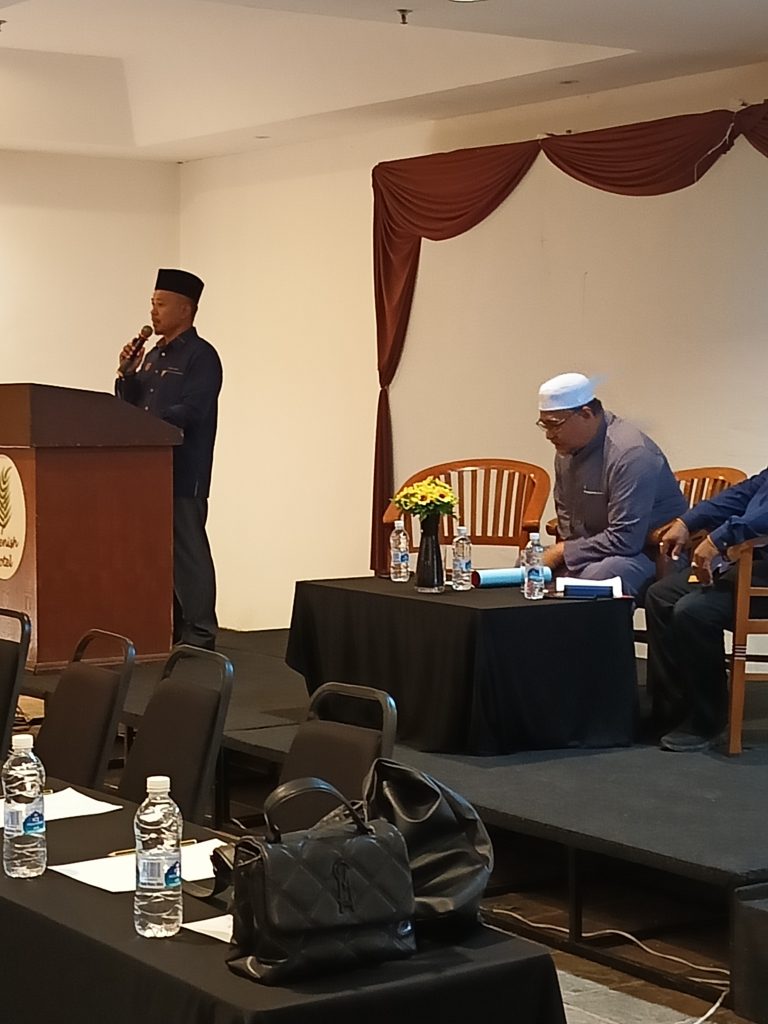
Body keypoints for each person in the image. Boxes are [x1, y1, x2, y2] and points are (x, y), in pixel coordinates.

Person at [116, 268, 222, 651]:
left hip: (183, 470)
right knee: (154, 551)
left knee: (188, 551)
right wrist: (126, 375)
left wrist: (151, 425)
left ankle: (200, 633)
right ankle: (167, 628)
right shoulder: (152, 355)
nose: (153, 312)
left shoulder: (201, 356)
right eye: (152, 303)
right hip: (149, 471)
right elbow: (130, 405)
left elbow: (193, 409)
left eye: (161, 304)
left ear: (185, 309)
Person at [645, 471, 768, 752]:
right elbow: (740, 495)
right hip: (753, 565)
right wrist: (687, 522)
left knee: (695, 611)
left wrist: (719, 539)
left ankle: (708, 720)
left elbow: (762, 518)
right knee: (661, 595)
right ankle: (673, 710)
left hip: (761, 574)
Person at [537, 372, 686, 597]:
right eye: (544, 426)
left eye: (554, 425)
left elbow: (626, 539)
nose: (549, 435)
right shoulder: (567, 450)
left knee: (600, 577)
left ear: (586, 414)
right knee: (528, 571)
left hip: (649, 552)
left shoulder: (631, 454)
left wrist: (563, 552)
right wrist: (566, 553)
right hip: (594, 551)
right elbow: (567, 519)